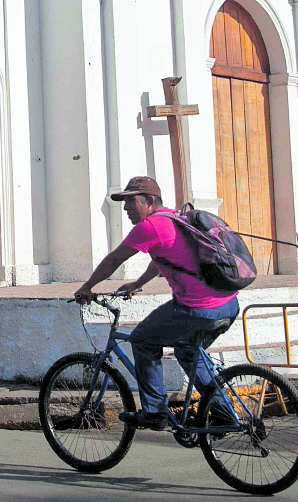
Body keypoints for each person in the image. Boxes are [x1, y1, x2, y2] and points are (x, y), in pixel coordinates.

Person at [73, 176, 241, 430]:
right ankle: (221, 411)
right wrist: (138, 282)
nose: (127, 209)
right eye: (125, 203)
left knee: (142, 339)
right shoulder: (177, 219)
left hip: (198, 308)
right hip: (228, 304)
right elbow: (163, 257)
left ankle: (155, 411)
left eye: (131, 202)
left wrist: (87, 287)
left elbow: (114, 260)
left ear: (150, 201)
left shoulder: (150, 226)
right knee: (188, 350)